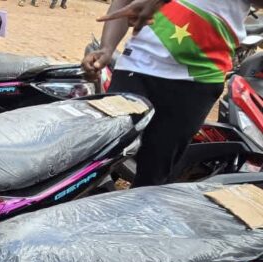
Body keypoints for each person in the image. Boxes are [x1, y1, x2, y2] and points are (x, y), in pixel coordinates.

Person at [83, 0, 259, 187]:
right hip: (135, 67)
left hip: (198, 80)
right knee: (98, 158)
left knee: (154, 173)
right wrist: (107, 48)